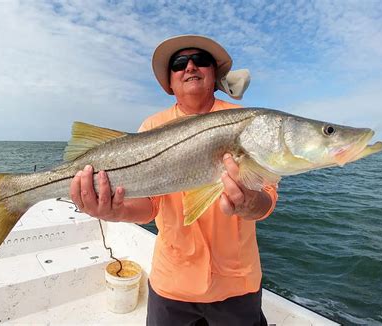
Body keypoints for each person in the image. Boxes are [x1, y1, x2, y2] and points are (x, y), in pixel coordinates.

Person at [70, 35, 278, 325]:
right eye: (180, 63)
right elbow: (149, 206)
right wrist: (115, 212)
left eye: (201, 60)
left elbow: (267, 200)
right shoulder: (152, 126)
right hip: (173, 283)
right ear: (169, 82)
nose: (190, 67)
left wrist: (250, 203)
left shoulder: (248, 122)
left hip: (237, 285)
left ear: (214, 73)